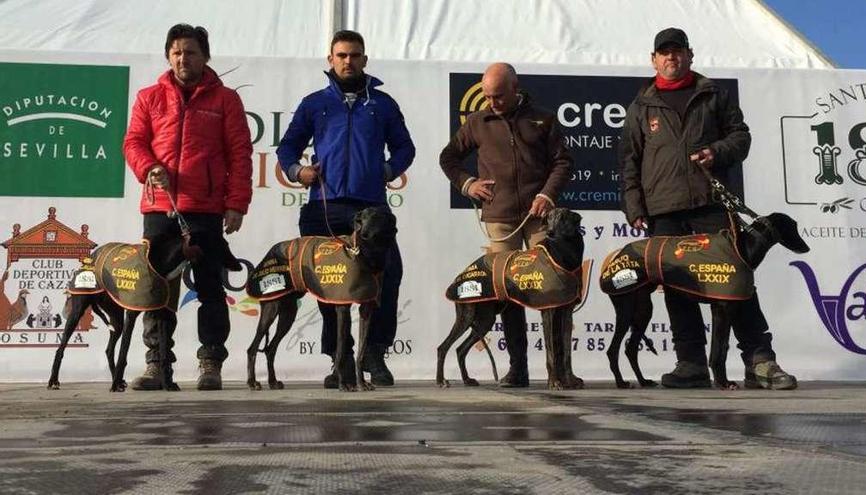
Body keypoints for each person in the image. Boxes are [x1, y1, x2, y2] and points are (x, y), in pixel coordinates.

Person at [618, 27, 797, 389]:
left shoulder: (713, 94)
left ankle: (760, 360)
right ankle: (691, 364)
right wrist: (635, 206)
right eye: (664, 53)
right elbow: (629, 161)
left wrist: (717, 152)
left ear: (690, 54)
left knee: (735, 282)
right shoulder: (640, 107)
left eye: (678, 51)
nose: (672, 58)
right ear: (653, 60)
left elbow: (741, 137)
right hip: (663, 210)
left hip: (711, 206)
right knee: (677, 289)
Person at [276, 30, 415, 387]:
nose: (348, 61)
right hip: (325, 206)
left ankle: (374, 352)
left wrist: (385, 171)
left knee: (389, 275)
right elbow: (287, 148)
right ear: (330, 59)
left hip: (371, 209)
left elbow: (405, 149)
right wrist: (299, 172)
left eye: (354, 55)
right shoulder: (314, 103)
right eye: (341, 55)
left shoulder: (382, 104)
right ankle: (340, 358)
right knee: (328, 284)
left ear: (365, 59)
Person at [123, 24, 253, 391]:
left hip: (207, 209)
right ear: (168, 56)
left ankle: (210, 362)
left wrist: (236, 203)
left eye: (191, 52)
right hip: (159, 207)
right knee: (158, 290)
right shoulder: (149, 97)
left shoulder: (226, 100)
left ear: (205, 56)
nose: (184, 58)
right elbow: (133, 142)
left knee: (211, 288)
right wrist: (149, 167)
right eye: (177, 52)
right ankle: (158, 365)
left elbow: (240, 154)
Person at [439, 63, 572, 387]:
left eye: (498, 96)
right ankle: (518, 370)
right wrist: (467, 183)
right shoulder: (477, 121)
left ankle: (561, 372)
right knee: (509, 294)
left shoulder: (542, 118)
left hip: (538, 218)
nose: (491, 103)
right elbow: (448, 158)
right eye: (486, 96)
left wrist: (547, 195)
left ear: (516, 88)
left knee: (552, 293)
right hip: (500, 220)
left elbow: (563, 162)